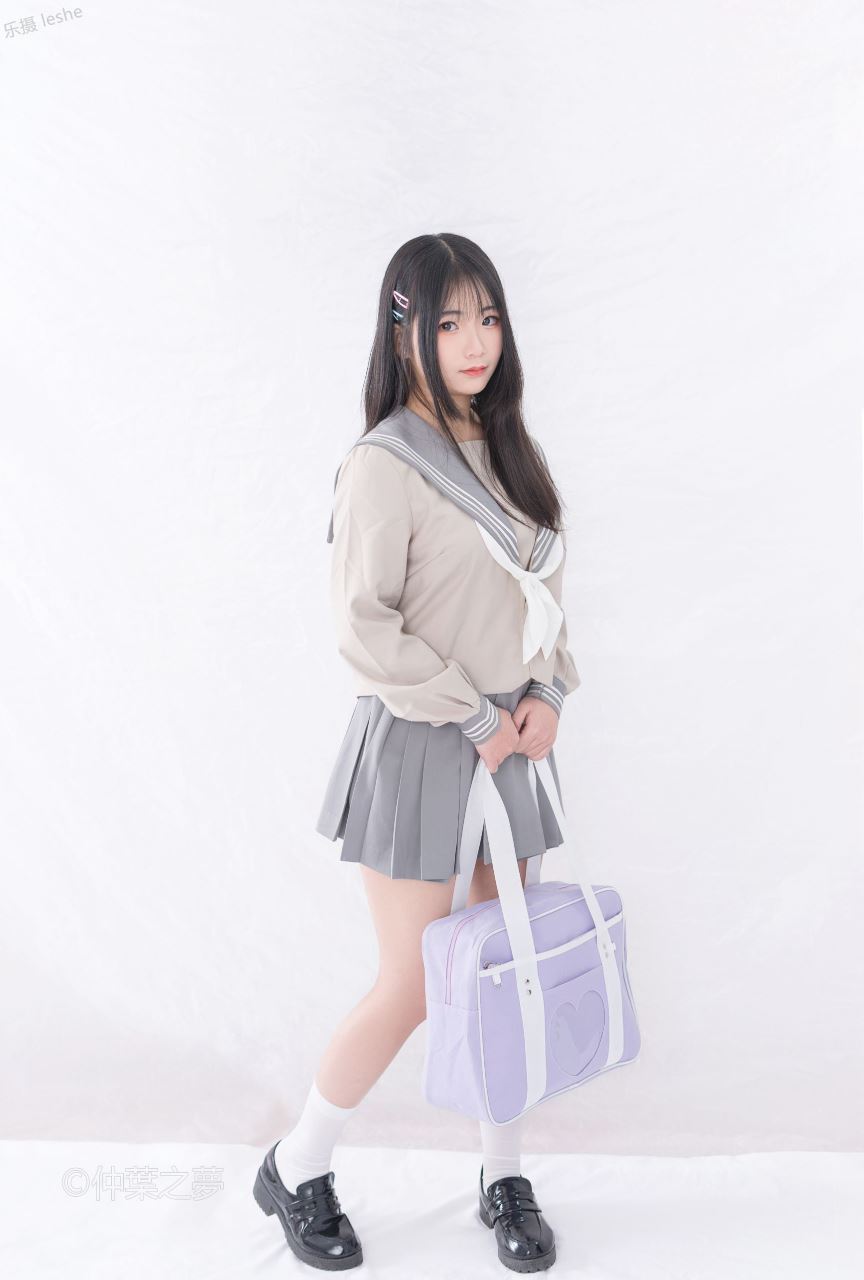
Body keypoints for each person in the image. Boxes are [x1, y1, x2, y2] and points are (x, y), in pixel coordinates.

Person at [253, 233, 582, 1272]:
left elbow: (543, 596)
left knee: (502, 971)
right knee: (414, 981)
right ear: (405, 333)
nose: (475, 340)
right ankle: (298, 1162)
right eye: (448, 321)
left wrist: (547, 691)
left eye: (487, 316)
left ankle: (502, 1172)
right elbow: (365, 628)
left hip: (510, 743)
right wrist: (473, 714)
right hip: (422, 741)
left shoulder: (512, 447)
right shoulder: (383, 463)